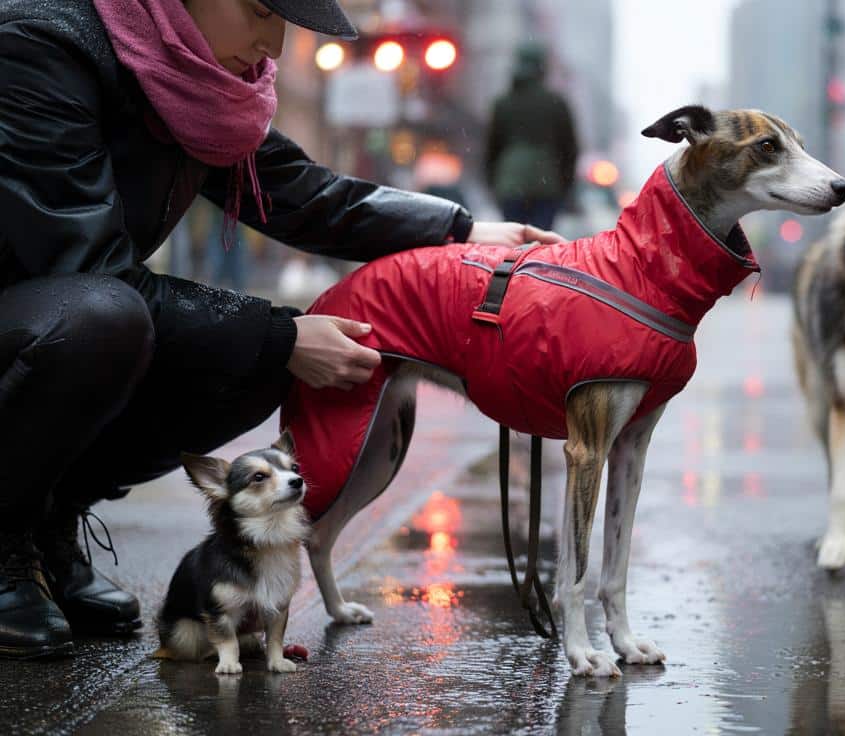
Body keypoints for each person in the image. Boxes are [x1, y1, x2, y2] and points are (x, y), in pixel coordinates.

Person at [0, 0, 562, 659]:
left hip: (56, 314)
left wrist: (460, 231)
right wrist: (286, 334)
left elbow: (300, 194)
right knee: (108, 321)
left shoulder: (196, 79)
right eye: (259, 9)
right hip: (35, 316)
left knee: (253, 360)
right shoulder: (42, 44)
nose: (273, 43)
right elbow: (86, 268)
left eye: (285, 21)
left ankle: (47, 523)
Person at [485, 42, 580, 230]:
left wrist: (494, 182)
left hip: (510, 182)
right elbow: (569, 149)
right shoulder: (556, 103)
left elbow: (492, 149)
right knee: (541, 245)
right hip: (547, 184)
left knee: (513, 242)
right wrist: (565, 185)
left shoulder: (503, 103)